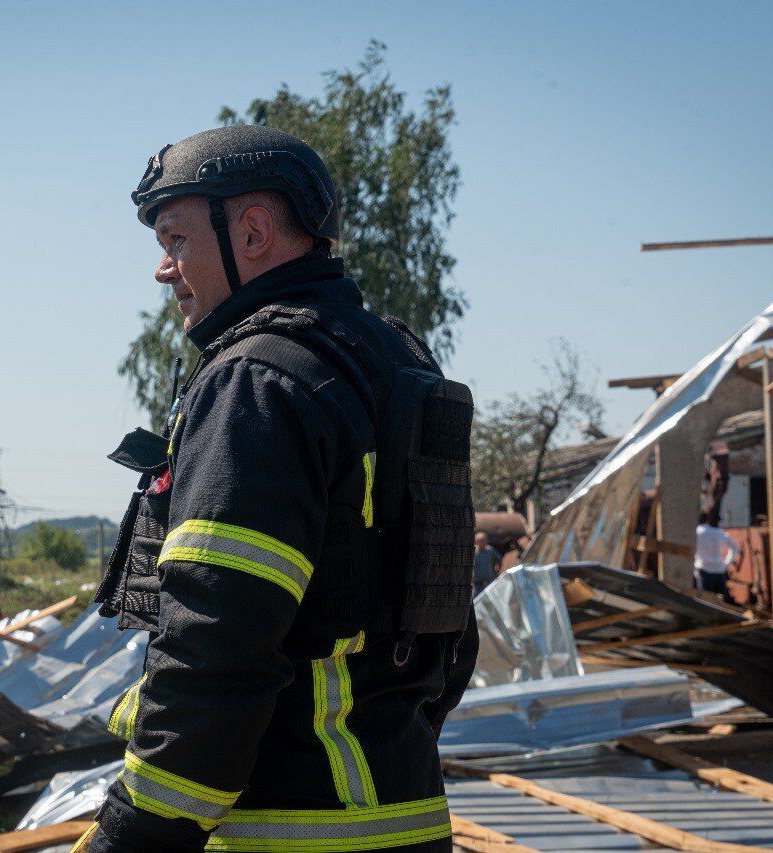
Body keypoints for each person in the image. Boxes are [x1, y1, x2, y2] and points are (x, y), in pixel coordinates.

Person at [78, 126, 478, 853]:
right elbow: (448, 629)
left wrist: (131, 837)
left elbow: (215, 647)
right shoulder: (395, 363)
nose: (164, 270)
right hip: (406, 819)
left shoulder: (256, 381)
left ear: (254, 232)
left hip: (285, 834)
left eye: (175, 240)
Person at [693, 511, 738, 597]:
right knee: (720, 599)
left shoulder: (697, 532)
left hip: (703, 570)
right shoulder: (720, 533)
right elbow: (735, 547)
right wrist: (726, 563)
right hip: (719, 570)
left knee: (705, 598)